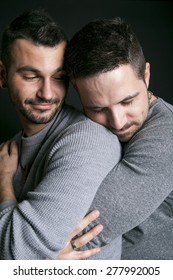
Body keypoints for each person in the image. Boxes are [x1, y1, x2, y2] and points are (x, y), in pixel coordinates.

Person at [0, 10, 122, 260]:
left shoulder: (87, 140)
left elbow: (16, 253)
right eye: (31, 76)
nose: (47, 93)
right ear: (3, 75)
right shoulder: (9, 150)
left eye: (59, 78)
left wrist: (4, 184)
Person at [64, 17, 173, 259]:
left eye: (127, 101)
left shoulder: (169, 136)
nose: (117, 122)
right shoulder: (78, 128)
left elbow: (66, 232)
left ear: (146, 75)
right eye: (98, 109)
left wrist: (6, 192)